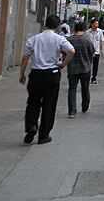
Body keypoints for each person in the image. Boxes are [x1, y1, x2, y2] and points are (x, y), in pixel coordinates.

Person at [19, 15, 74, 144]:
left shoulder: (33, 39)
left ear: (45, 24)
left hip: (36, 74)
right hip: (52, 74)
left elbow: (25, 58)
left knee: (33, 102)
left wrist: (22, 74)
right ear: (57, 26)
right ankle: (44, 135)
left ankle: (31, 126)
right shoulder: (59, 39)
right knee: (49, 105)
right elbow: (71, 51)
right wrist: (63, 64)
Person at [66, 21, 93, 117]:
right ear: (85, 30)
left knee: (72, 89)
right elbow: (92, 54)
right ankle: (85, 106)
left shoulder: (69, 40)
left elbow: (65, 54)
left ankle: (72, 111)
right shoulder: (87, 40)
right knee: (85, 88)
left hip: (72, 68)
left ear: (74, 29)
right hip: (85, 68)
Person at [86, 19, 104, 84]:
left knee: (95, 65)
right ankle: (87, 77)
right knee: (88, 64)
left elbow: (102, 40)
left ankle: (94, 77)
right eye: (95, 24)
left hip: (97, 51)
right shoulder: (87, 32)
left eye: (97, 24)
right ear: (92, 24)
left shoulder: (99, 31)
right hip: (89, 52)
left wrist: (102, 49)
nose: (97, 25)